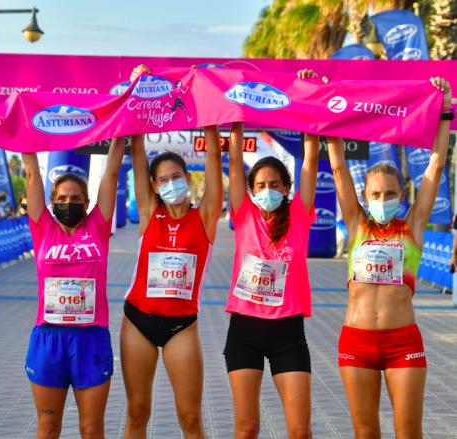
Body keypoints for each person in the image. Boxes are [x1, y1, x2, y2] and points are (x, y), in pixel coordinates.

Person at [328, 77, 452, 438]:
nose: (383, 199)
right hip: (356, 342)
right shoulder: (356, 224)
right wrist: (324, 107)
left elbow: (435, 165)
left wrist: (444, 109)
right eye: (376, 194)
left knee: (408, 433)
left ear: (402, 194)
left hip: (403, 343)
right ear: (365, 196)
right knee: (366, 433)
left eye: (391, 193)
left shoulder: (412, 224)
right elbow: (338, 170)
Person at [121, 65, 223, 438]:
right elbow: (136, 148)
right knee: (136, 413)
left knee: (191, 418)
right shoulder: (150, 213)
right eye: (162, 179)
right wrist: (137, 91)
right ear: (152, 185)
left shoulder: (207, 216)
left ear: (188, 179)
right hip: (138, 321)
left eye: (176, 177)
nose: (170, 184)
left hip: (183, 324)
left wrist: (210, 112)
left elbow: (214, 158)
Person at [224, 68, 320, 438]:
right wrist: (232, 113)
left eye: (275, 185)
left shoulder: (298, 213)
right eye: (261, 185)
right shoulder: (244, 212)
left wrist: (310, 96)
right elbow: (234, 163)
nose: (268, 190)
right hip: (244, 331)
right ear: (251, 190)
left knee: (299, 430)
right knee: (246, 429)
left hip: (288, 332)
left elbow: (310, 160)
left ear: (286, 187)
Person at [21, 137, 125, 438]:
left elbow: (111, 173)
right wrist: (22, 129)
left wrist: (121, 129)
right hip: (49, 338)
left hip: (90, 339)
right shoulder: (43, 228)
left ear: (87, 202)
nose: (69, 203)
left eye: (76, 198)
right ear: (53, 202)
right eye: (62, 199)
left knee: (91, 430)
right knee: (48, 427)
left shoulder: (98, 225)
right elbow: (31, 172)